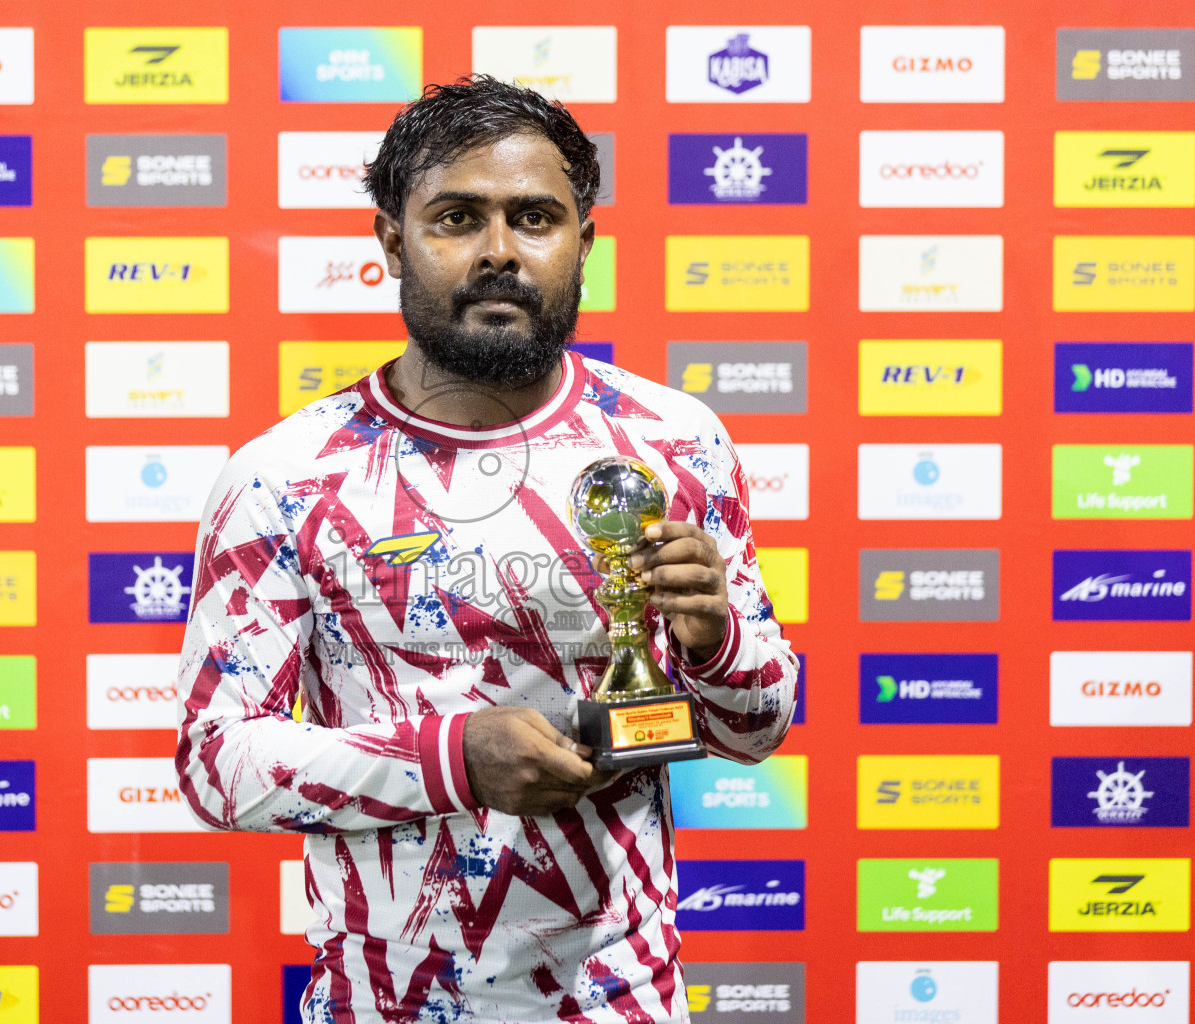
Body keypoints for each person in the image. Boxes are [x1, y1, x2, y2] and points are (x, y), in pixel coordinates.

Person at [176, 75, 798, 1024]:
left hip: (624, 1002)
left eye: (536, 218)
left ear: (583, 243)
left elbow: (755, 730)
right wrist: (452, 757)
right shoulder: (287, 473)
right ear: (393, 240)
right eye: (458, 218)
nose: (500, 251)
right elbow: (219, 764)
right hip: (380, 1005)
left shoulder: (676, 443)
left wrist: (715, 640)